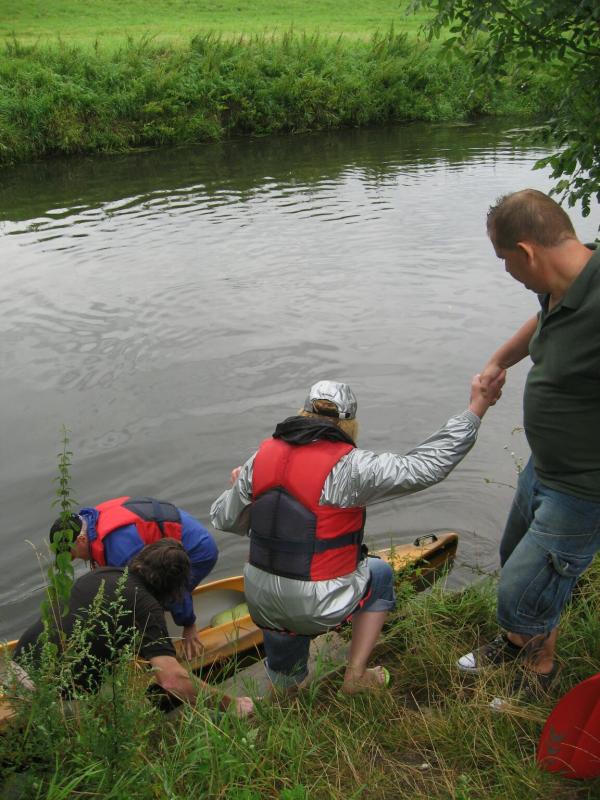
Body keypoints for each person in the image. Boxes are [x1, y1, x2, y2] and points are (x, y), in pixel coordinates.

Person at [211, 376, 504, 695]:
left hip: (261, 600)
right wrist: (476, 408)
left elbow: (224, 519)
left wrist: (237, 487)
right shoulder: (352, 467)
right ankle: (356, 677)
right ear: (349, 424)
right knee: (379, 573)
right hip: (319, 605)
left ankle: (286, 686)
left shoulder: (259, 459)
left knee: (281, 612)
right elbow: (426, 467)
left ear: (302, 413)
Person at [457, 189, 600, 699]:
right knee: (516, 555)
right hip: (545, 467)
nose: (505, 270)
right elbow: (543, 320)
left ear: (527, 251)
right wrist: (499, 361)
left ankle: (538, 674)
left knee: (523, 591)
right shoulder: (563, 285)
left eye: (504, 259)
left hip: (582, 486)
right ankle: (519, 645)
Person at [13, 539, 253, 717]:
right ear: (174, 586)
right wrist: (232, 705)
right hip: (48, 688)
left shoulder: (104, 573)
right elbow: (172, 681)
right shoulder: (147, 606)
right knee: (136, 713)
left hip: (18, 660)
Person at [49, 496, 218, 660]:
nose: (75, 560)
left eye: (72, 555)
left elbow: (167, 581)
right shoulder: (88, 523)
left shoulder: (120, 547)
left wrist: (188, 625)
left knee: (157, 594)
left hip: (197, 549)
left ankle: (178, 638)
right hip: (179, 535)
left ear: (81, 539)